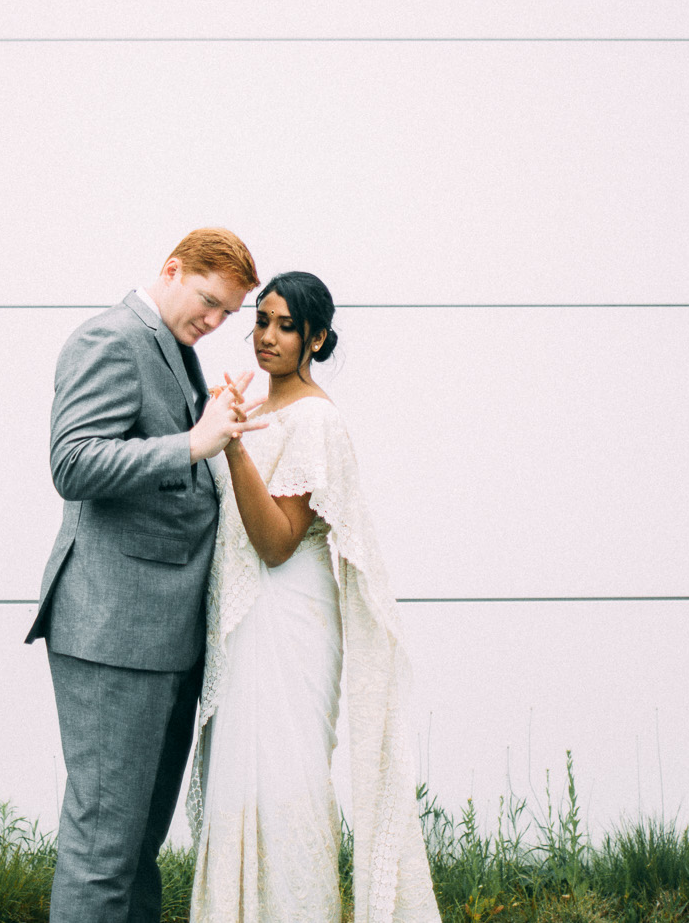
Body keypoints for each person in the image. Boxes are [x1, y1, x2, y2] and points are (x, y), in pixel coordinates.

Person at [187, 271, 442, 923]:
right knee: (237, 789)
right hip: (242, 625)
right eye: (262, 321)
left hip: (292, 619)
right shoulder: (253, 409)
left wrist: (234, 444)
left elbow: (275, 541)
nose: (267, 336)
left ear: (317, 337)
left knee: (287, 789)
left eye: (286, 325)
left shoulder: (317, 419)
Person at [27, 228, 265, 923]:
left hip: (160, 637)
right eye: (210, 301)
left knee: (136, 848)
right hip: (112, 634)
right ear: (171, 269)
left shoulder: (175, 349)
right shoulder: (111, 339)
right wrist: (193, 442)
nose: (216, 322)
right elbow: (72, 462)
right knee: (105, 847)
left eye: (227, 312)